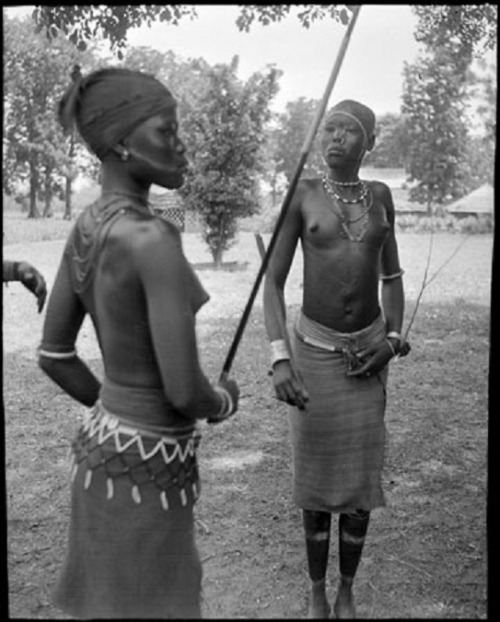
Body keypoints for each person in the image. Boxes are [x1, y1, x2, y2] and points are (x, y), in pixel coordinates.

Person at [38, 66, 240, 619]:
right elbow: (183, 391)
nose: (181, 144)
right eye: (167, 130)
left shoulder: (88, 226)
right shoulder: (153, 237)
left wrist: (118, 410)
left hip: (99, 457)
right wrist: (222, 400)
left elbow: (54, 355)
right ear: (123, 143)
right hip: (149, 476)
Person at [263, 99, 410, 619]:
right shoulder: (302, 195)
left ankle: (347, 589)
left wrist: (391, 340)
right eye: (330, 128)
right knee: (316, 479)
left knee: (359, 482)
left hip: (368, 353)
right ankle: (316, 591)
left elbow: (391, 280)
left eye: (349, 131)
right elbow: (273, 285)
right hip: (315, 352)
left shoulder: (382, 196)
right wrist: (280, 357)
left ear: (370, 142)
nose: (336, 138)